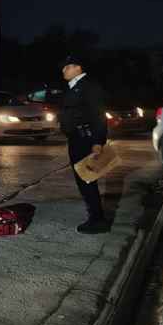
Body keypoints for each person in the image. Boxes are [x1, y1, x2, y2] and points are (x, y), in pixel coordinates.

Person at [59, 55, 110, 234]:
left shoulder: (89, 86)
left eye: (67, 67)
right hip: (76, 138)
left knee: (87, 179)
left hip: (85, 139)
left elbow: (99, 115)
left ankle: (97, 220)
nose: (63, 70)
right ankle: (95, 216)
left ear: (78, 68)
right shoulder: (74, 87)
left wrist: (98, 141)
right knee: (83, 179)